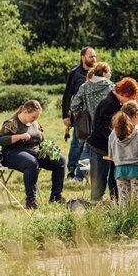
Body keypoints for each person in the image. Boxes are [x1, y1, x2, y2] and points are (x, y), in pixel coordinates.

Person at [0, 100, 65, 209]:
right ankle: (31, 201)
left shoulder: (35, 123)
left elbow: (41, 138)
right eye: (33, 117)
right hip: (13, 154)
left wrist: (47, 147)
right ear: (25, 111)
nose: (35, 119)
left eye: (37, 117)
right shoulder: (12, 123)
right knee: (32, 164)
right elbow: (0, 140)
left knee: (60, 160)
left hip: (34, 151)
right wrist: (20, 136)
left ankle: (55, 197)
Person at [87, 78, 138, 202]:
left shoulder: (116, 103)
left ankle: (116, 205)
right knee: (99, 184)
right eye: (130, 98)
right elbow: (101, 126)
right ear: (124, 93)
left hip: (110, 149)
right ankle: (94, 210)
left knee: (114, 180)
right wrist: (119, 138)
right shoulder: (109, 103)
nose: (130, 101)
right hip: (99, 148)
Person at [62, 47, 96, 181]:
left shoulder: (98, 71)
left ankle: (83, 173)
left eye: (95, 56)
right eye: (91, 56)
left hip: (94, 115)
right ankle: (71, 170)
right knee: (77, 144)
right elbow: (67, 95)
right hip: (80, 115)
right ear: (83, 57)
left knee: (89, 145)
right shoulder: (75, 73)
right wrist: (65, 115)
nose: (93, 59)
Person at [108, 101, 138, 204]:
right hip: (137, 169)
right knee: (136, 201)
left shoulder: (113, 133)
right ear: (136, 115)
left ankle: (123, 219)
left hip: (120, 170)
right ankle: (135, 219)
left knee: (123, 201)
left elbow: (111, 154)